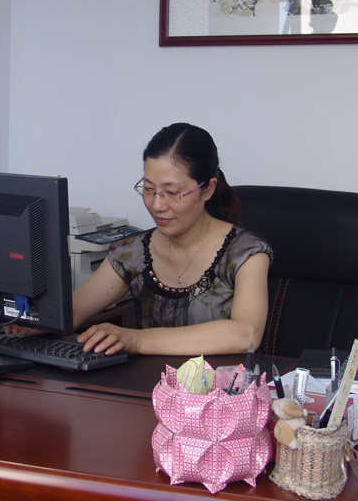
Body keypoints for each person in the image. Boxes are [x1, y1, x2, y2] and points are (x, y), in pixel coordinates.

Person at [73, 123, 272, 357]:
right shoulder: (132, 252)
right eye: (148, 189)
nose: (157, 205)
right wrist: (35, 319)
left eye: (172, 193)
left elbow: (246, 334)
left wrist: (136, 339)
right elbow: (72, 311)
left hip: (218, 381)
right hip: (147, 381)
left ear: (208, 189)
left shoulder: (245, 253)